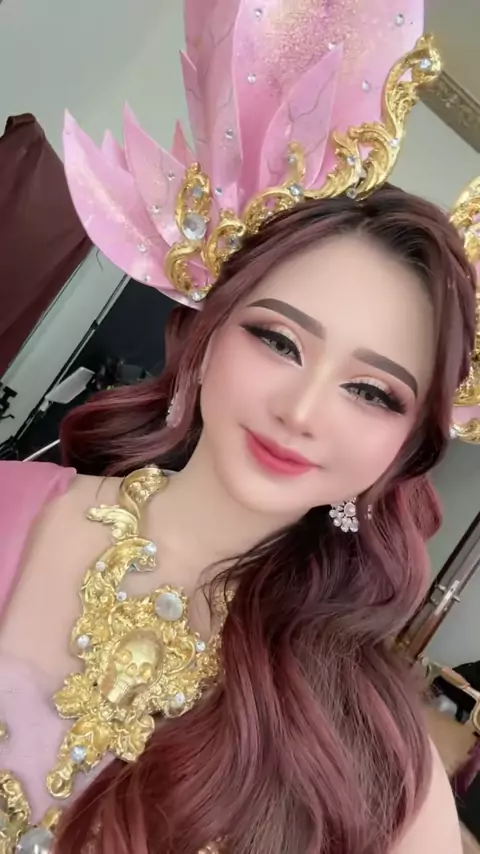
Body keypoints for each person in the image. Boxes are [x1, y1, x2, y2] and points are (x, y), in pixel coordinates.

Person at [0, 2, 479, 853]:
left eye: (372, 393)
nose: (303, 410)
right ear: (208, 332)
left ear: (406, 445)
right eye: (279, 340)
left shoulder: (370, 746)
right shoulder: (9, 506)